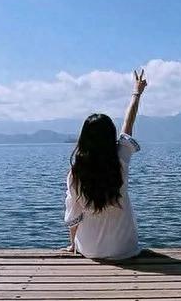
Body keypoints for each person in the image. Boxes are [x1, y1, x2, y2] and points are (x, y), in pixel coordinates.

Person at [62, 69, 147, 259]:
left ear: (84, 139)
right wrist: (136, 93)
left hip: (90, 250)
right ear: (111, 137)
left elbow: (73, 214)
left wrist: (72, 244)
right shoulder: (120, 159)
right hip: (125, 249)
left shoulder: (76, 173)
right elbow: (128, 126)